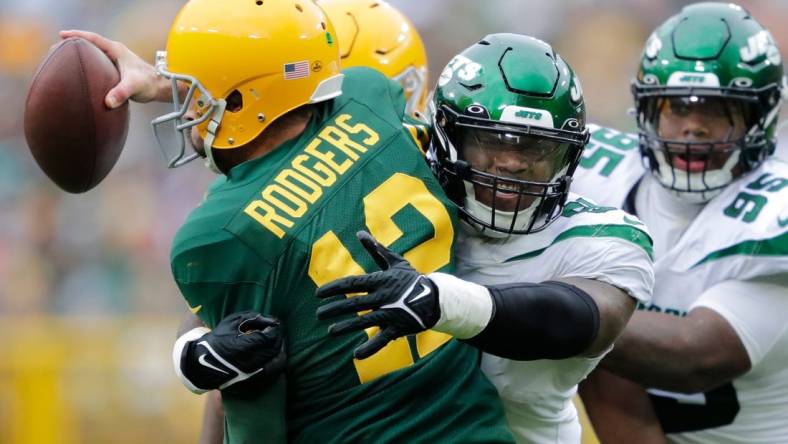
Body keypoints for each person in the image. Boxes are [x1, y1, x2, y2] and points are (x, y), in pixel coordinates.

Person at [60, 0, 514, 442]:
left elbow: (254, 412)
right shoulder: (372, 93)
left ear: (240, 100)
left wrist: (191, 355)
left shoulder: (217, 232)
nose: (187, 109)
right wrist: (182, 81)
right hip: (476, 426)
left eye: (194, 92)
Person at [316, 33, 655, 444]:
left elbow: (584, 321)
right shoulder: (389, 198)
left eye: (538, 146)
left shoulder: (603, 236)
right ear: (447, 135)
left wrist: (439, 301)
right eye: (489, 139)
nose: (512, 161)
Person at [571, 3, 788, 443]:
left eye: (717, 110)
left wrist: (517, 300)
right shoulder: (595, 172)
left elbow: (693, 358)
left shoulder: (773, 215)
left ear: (759, 117)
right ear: (647, 111)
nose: (693, 128)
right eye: (676, 108)